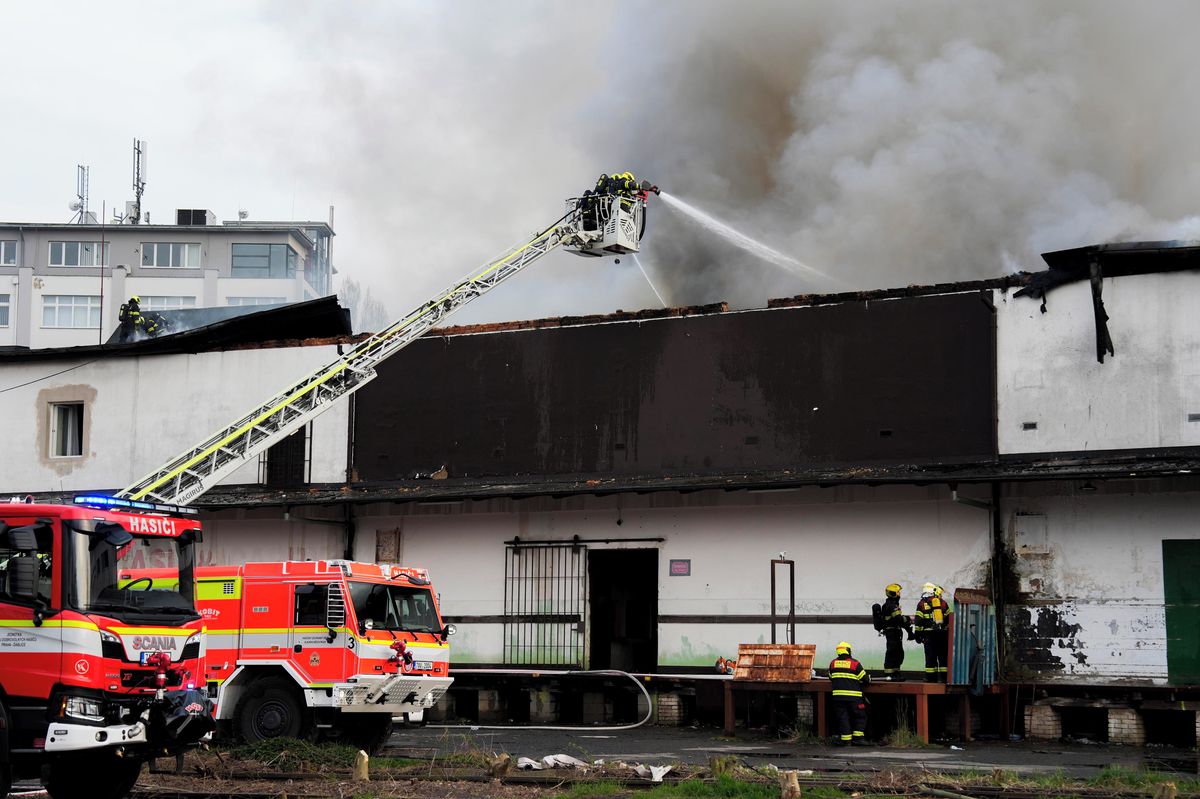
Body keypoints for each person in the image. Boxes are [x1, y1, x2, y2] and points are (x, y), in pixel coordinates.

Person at [827, 641, 870, 746]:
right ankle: (858, 739)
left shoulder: (833, 663)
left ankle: (845, 740)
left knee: (843, 718)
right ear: (848, 650)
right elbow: (865, 679)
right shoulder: (855, 664)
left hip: (838, 698)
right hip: (854, 697)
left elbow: (831, 677)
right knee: (860, 716)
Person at [913, 582, 950, 682]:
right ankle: (944, 678)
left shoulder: (921, 604)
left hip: (929, 635)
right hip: (942, 634)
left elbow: (918, 620)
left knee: (930, 657)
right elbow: (948, 618)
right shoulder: (942, 602)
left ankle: (931, 679)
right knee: (942, 656)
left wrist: (917, 635)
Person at [880, 583, 911, 680]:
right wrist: (908, 618)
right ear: (893, 593)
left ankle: (896, 673)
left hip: (896, 632)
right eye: (898, 592)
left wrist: (909, 631)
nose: (899, 594)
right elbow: (898, 619)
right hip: (892, 632)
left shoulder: (893, 604)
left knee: (898, 653)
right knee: (892, 652)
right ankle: (889, 674)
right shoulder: (891, 605)